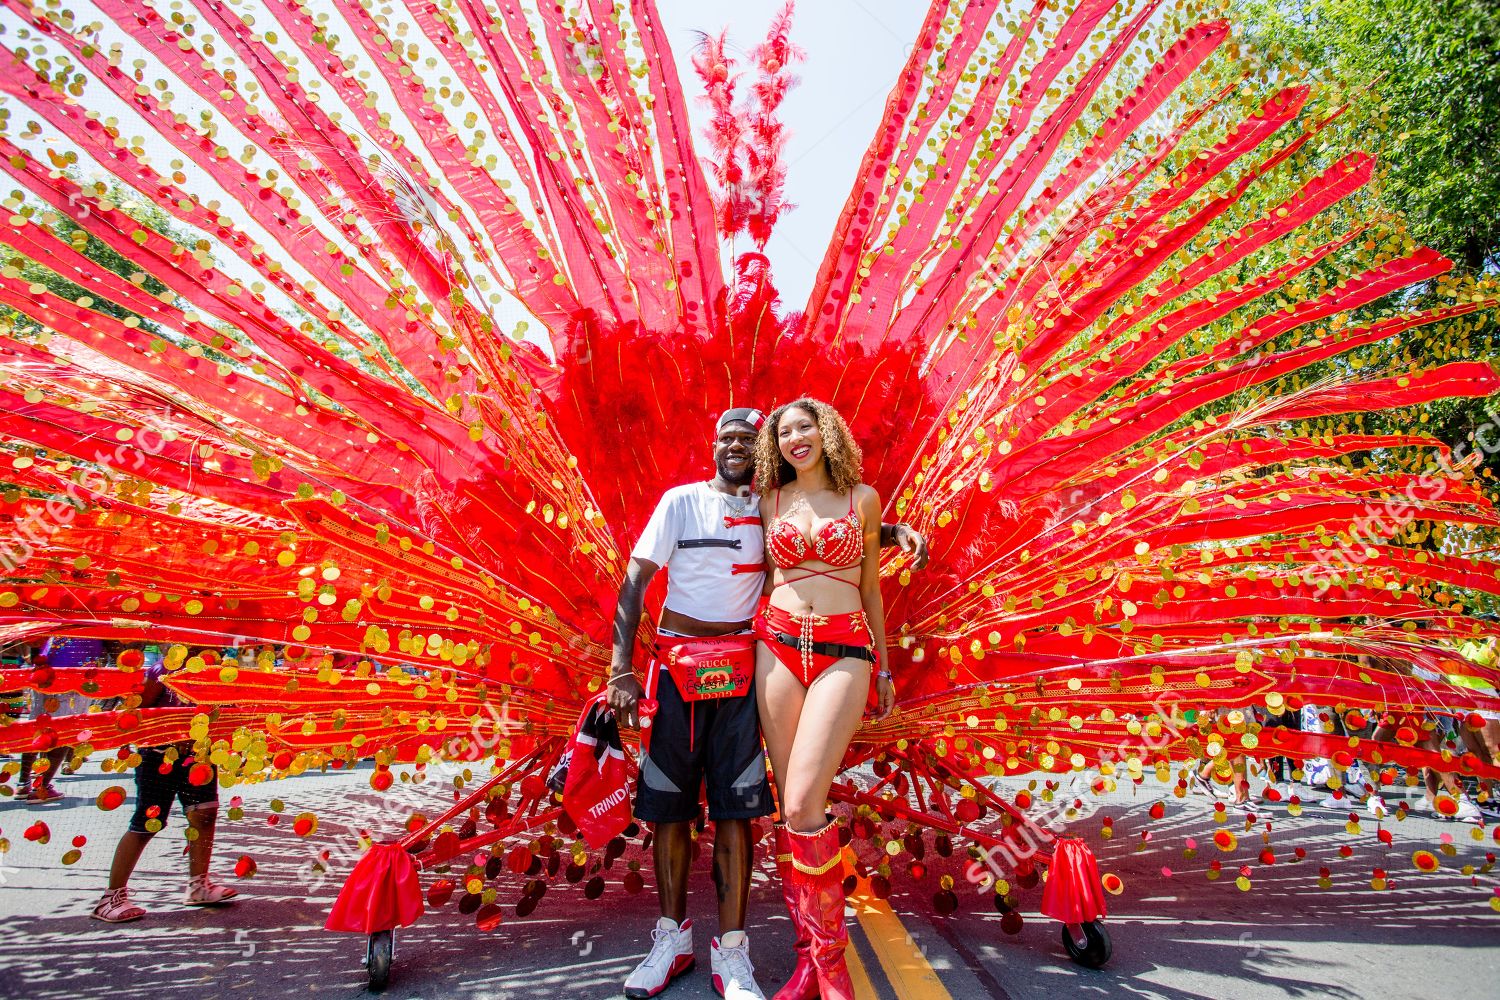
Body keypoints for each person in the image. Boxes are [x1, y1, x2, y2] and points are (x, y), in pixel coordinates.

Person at [607, 407, 924, 1000]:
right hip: (712, 666)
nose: (738, 447)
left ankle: (767, 958)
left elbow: (844, 540)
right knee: (680, 808)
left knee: (758, 807)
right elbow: (636, 580)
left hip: (777, 663)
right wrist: (619, 669)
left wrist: (894, 533)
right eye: (730, 437)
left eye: (751, 440)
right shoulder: (713, 502)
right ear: (718, 444)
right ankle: (683, 942)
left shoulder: (803, 500)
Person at [751, 397, 893, 1000]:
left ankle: (833, 967)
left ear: (826, 433)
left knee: (807, 803)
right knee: (790, 811)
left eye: (805, 427)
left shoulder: (862, 497)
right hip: (777, 645)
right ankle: (809, 959)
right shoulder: (770, 502)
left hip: (844, 649)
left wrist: (882, 664)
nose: (795, 439)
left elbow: (870, 588)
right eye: (783, 433)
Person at [91, 645, 238, 922]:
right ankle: (111, 898)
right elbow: (136, 713)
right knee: (147, 823)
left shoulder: (221, 673)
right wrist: (169, 736)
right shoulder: (161, 670)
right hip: (158, 758)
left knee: (204, 816)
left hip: (201, 756)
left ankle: (199, 886)